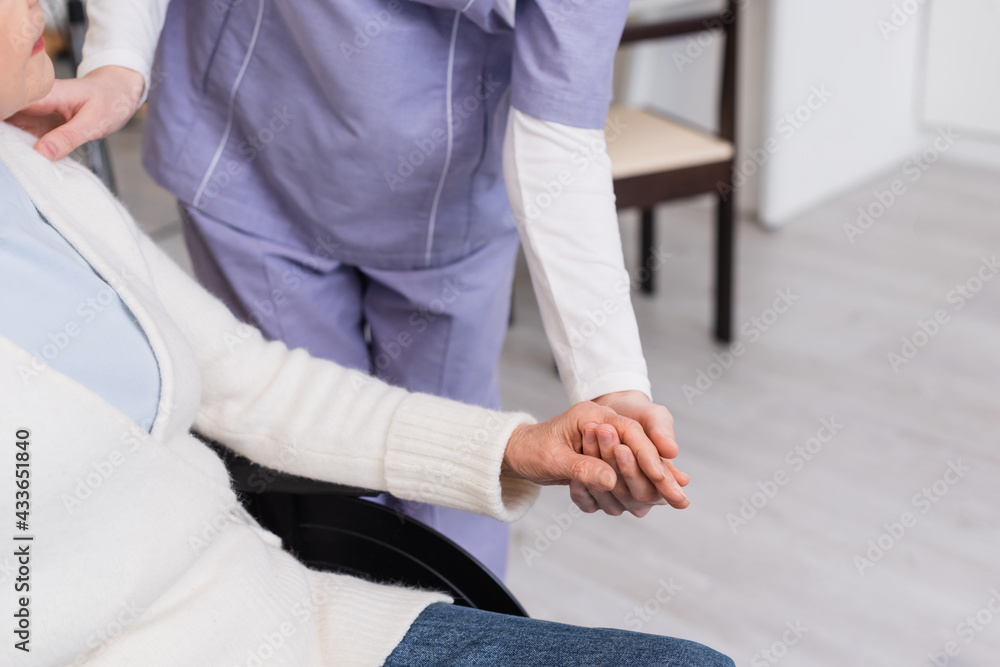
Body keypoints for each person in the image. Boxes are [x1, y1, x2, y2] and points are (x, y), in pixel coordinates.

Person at [0, 4, 734, 665]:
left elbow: (257, 383)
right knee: (319, 491)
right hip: (249, 148)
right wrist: (119, 62)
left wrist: (599, 393)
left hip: (442, 193)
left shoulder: (42, 192)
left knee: (448, 497)